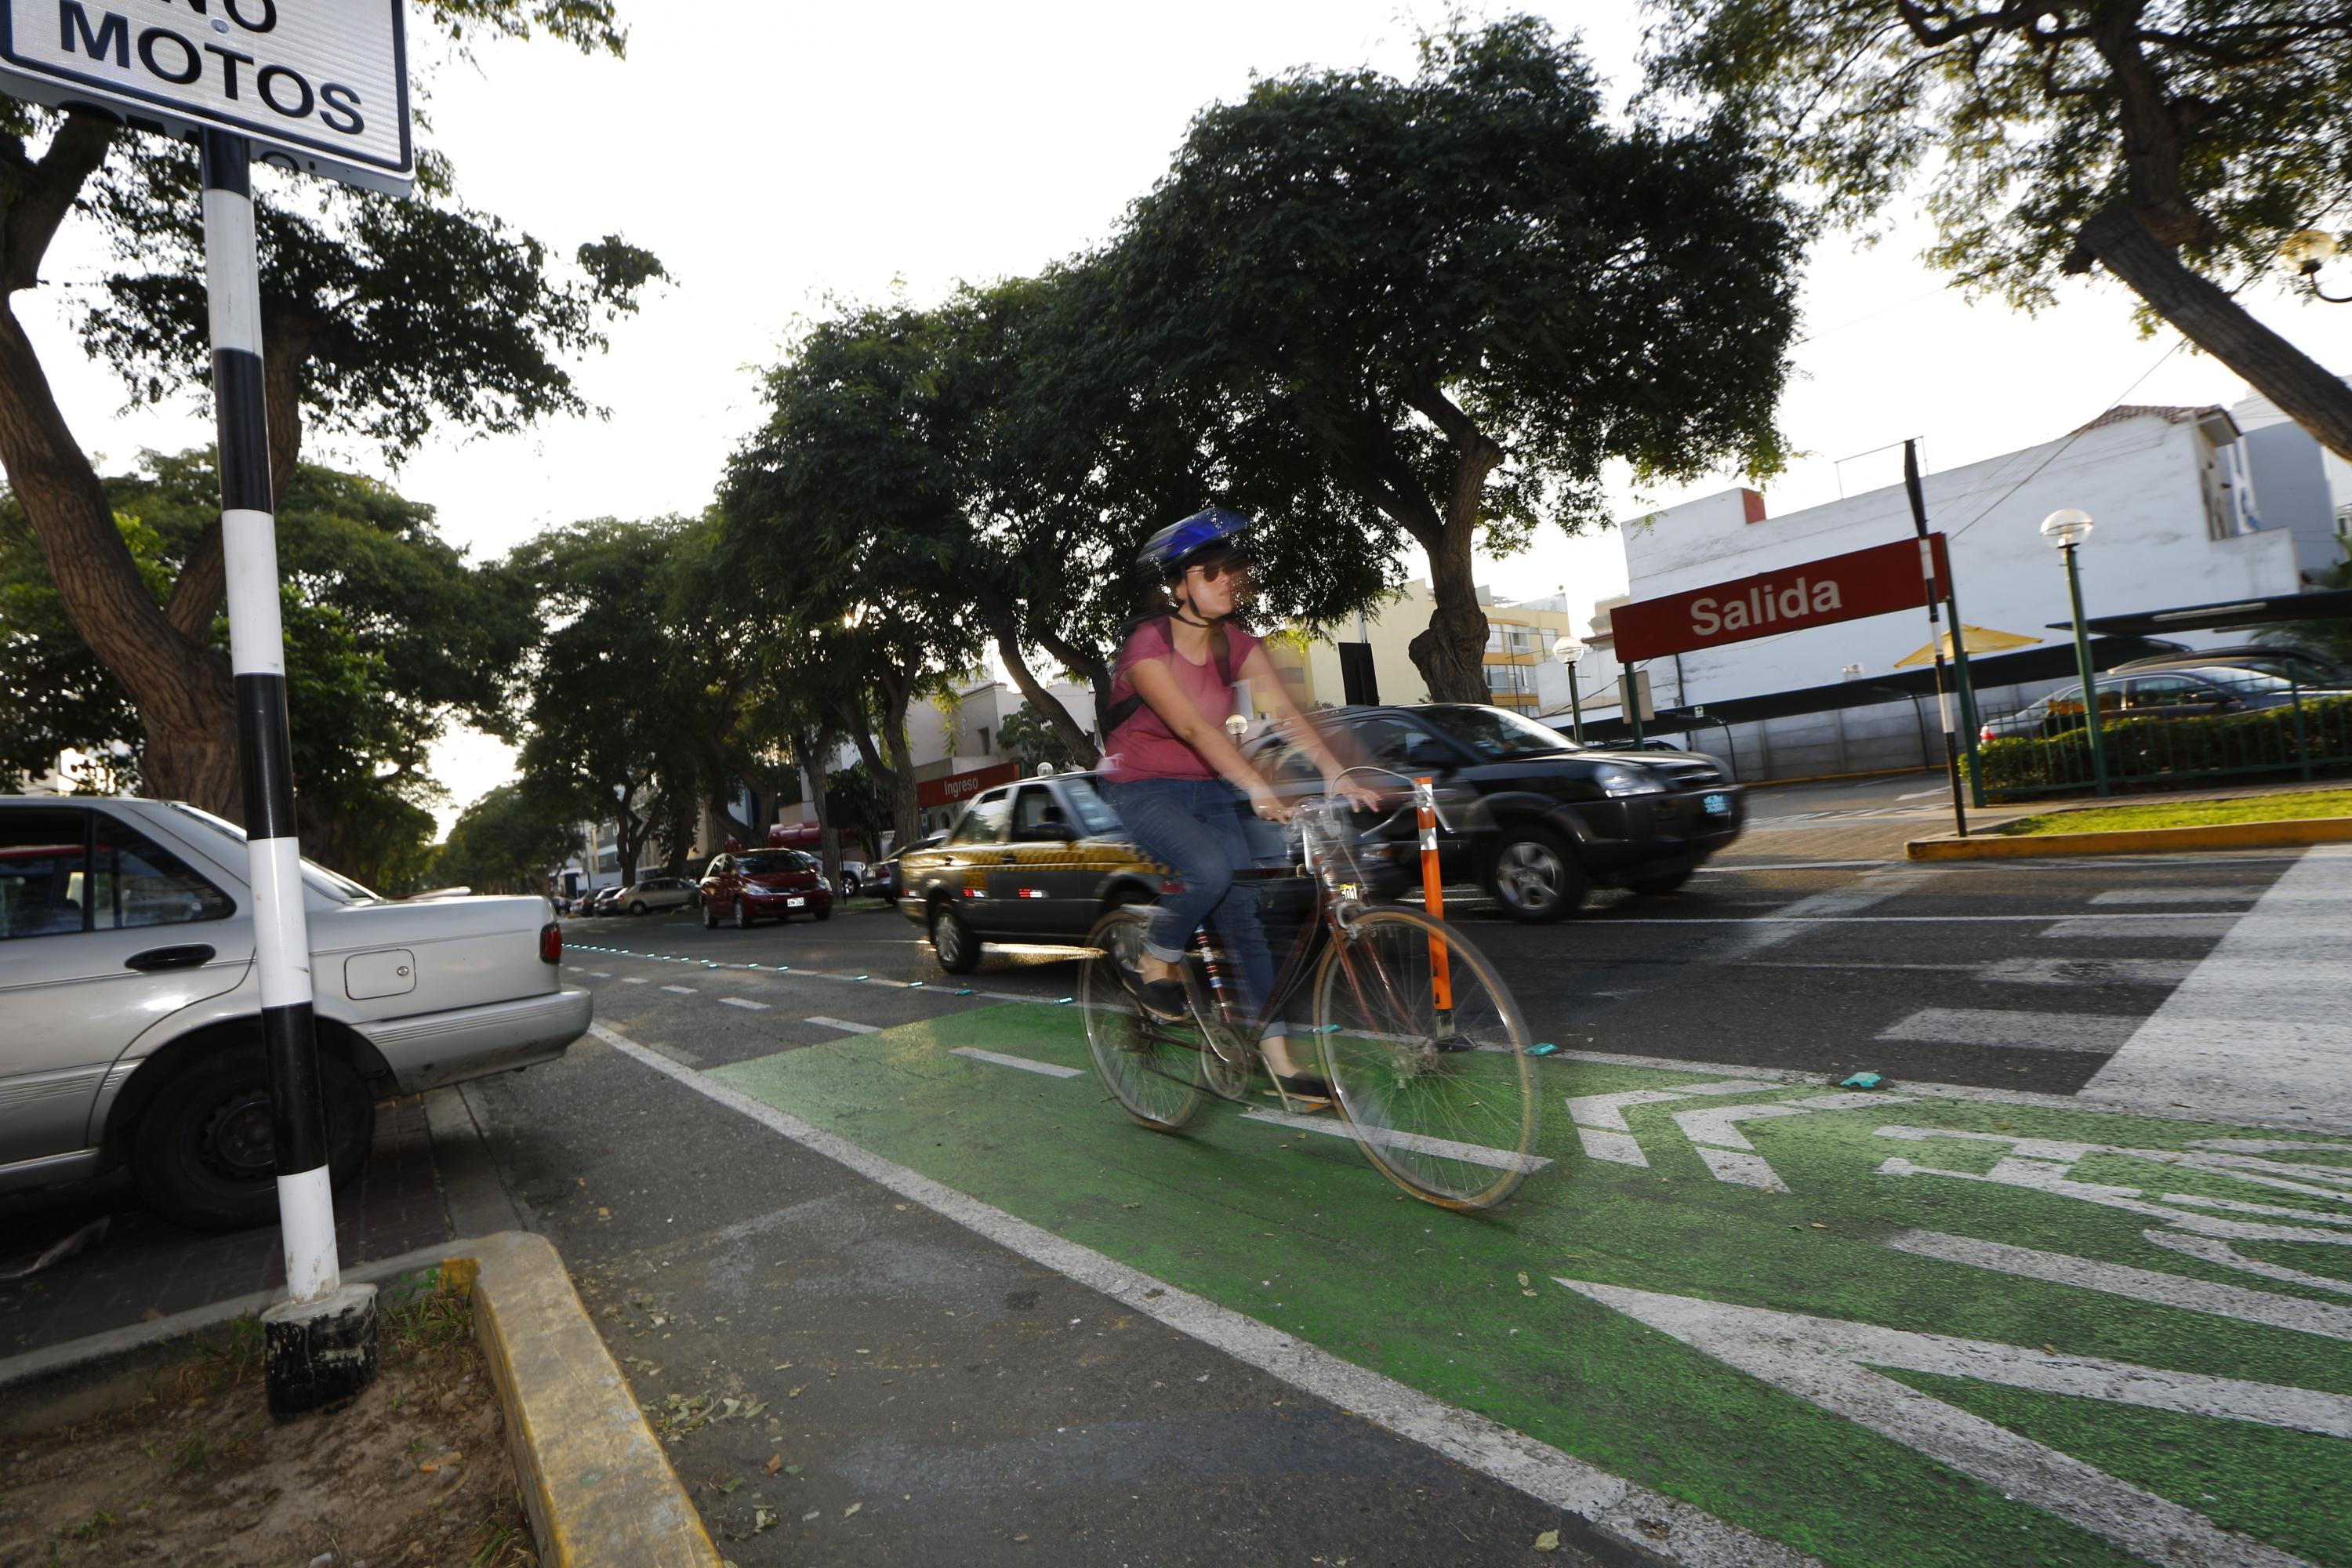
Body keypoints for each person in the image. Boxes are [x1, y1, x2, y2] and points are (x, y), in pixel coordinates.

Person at [1099, 506, 1376, 1111]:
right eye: (1210, 572)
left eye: (1233, 569)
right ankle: (1155, 961)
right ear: (1178, 585)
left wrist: (1336, 773)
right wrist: (1254, 784)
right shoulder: (1148, 643)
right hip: (1142, 787)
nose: (1228, 580)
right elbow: (1194, 727)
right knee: (1207, 871)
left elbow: (1286, 715)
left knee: (1243, 917)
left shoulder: (1238, 645)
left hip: (1210, 789)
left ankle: (1281, 1064)